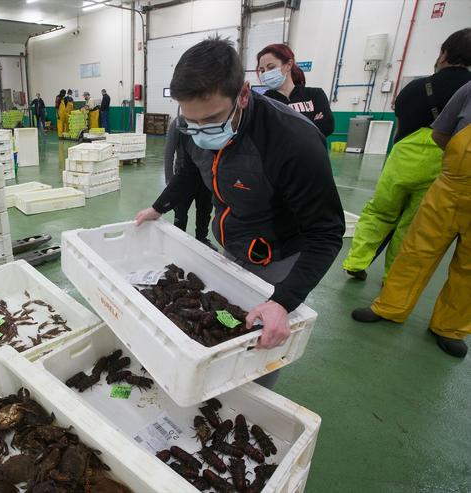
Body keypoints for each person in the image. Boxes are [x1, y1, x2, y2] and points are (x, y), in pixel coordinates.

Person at [135, 37, 345, 388]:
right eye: (192, 121)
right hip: (231, 245)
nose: (201, 130)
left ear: (244, 94)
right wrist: (160, 207)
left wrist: (284, 301)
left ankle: (255, 393)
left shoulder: (294, 141)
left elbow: (325, 234)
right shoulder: (195, 125)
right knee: (227, 322)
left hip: (278, 256)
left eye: (214, 118)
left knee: (262, 340)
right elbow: (192, 171)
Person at [351, 81, 471, 358]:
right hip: (450, 187)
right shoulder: (466, 90)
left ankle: (450, 328)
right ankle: (391, 307)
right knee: (416, 249)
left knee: (468, 269)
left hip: (450, 183)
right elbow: (440, 134)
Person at [342, 28, 471, 281]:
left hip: (402, 159)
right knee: (411, 225)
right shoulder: (467, 91)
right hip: (442, 163)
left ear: (444, 54)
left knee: (378, 212)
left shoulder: (415, 87)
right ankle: (393, 276)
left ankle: (356, 261)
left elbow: (399, 127)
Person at [256, 43, 334, 137]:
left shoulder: (315, 94)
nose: (266, 73)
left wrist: (285, 131)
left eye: (271, 67)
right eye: (262, 70)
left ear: (289, 65)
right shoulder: (264, 101)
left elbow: (327, 126)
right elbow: (265, 135)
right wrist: (311, 125)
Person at [163, 117, 213, 247]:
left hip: (205, 176)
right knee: (180, 211)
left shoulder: (209, 120)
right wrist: (169, 179)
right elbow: (169, 151)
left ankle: (202, 239)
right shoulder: (179, 123)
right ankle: (179, 240)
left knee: (205, 210)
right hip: (183, 176)